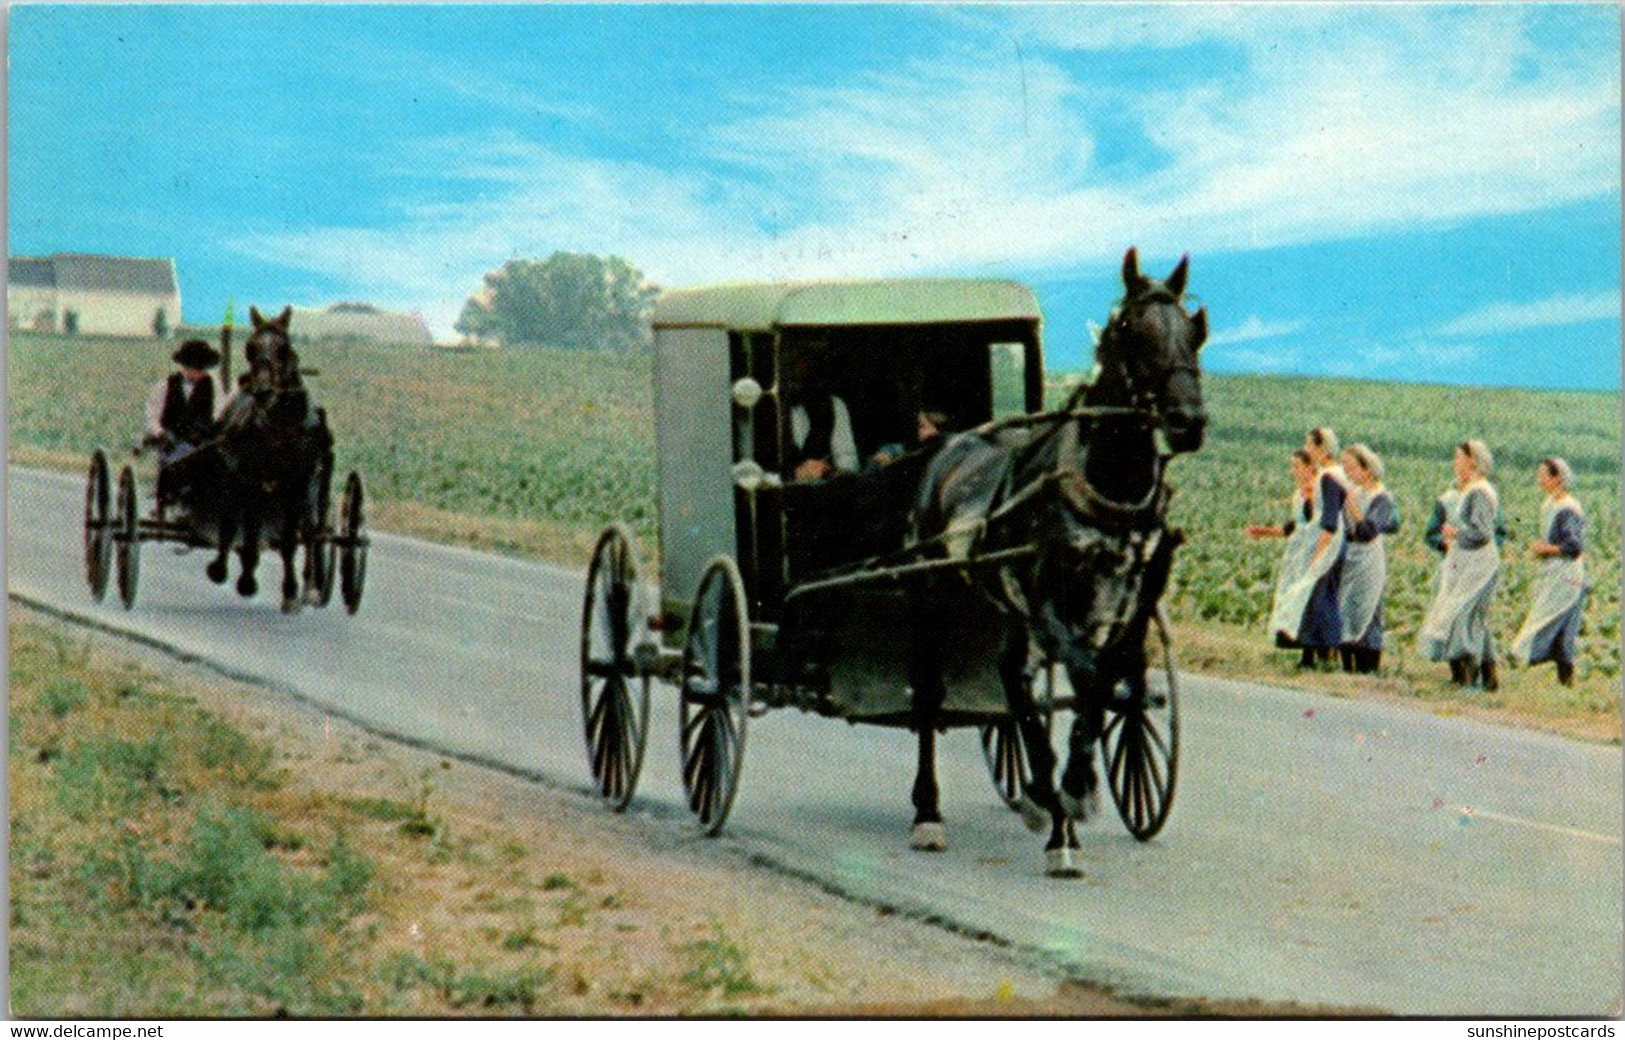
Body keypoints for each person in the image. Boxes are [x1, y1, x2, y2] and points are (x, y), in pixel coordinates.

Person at [1253, 428, 1347, 667]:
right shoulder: (1325, 477)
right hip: (1314, 543)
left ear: (1321, 448)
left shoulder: (1328, 476)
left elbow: (1329, 519)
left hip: (1325, 544)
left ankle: (1323, 653)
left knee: (1317, 598)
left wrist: (1320, 551)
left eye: (1309, 446)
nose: (1307, 450)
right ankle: (1312, 653)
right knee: (1312, 598)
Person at [1418, 440, 1502, 689]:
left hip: (1478, 565)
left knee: (1462, 617)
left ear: (1472, 462)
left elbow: (1482, 533)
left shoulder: (1479, 492)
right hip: (1467, 563)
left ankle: (1468, 677)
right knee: (1470, 617)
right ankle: (1486, 677)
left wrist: (1456, 533)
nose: (1455, 463)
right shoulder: (1473, 491)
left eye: (1458, 458)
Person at [1511, 457, 1589, 686]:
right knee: (1563, 630)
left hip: (1567, 576)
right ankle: (1565, 683)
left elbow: (1574, 547)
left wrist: (1546, 548)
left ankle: (1524, 657)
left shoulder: (1567, 509)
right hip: (1556, 573)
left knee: (1552, 622)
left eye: (1543, 474)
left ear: (1556, 479)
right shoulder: (1550, 504)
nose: (1539, 479)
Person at [1337, 444, 1400, 674]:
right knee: (1346, 607)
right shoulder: (1355, 492)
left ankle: (1368, 668)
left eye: (1351, 468)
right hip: (1350, 556)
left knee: (1369, 609)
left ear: (1367, 469)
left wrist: (1352, 507)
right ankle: (1348, 667)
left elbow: (1369, 530)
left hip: (1368, 557)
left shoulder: (1380, 497)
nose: (1347, 473)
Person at [143, 339, 221, 503]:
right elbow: (152, 415)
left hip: (202, 442)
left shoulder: (214, 388)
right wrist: (161, 433)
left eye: (202, 368)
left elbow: (219, 414)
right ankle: (170, 495)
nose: (199, 372)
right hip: (173, 441)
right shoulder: (165, 386)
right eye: (195, 367)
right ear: (185, 366)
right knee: (177, 461)